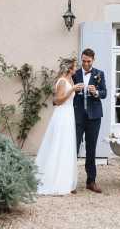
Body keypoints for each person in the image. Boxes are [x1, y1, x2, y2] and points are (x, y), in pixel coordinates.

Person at [35, 57, 83, 195]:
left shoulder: (70, 80)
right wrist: (71, 90)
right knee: (58, 145)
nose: (76, 69)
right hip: (61, 116)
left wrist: (75, 88)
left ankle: (65, 180)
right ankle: (53, 180)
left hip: (68, 115)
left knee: (66, 147)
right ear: (69, 68)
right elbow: (57, 101)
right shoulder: (62, 81)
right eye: (74, 67)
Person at [72, 48, 107, 193]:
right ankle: (70, 182)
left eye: (88, 61)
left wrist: (96, 92)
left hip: (94, 117)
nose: (85, 64)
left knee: (91, 149)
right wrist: (74, 90)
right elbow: (68, 91)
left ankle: (91, 181)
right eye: (84, 61)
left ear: (93, 60)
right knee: (73, 148)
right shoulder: (75, 73)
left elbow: (104, 93)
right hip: (78, 115)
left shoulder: (99, 74)